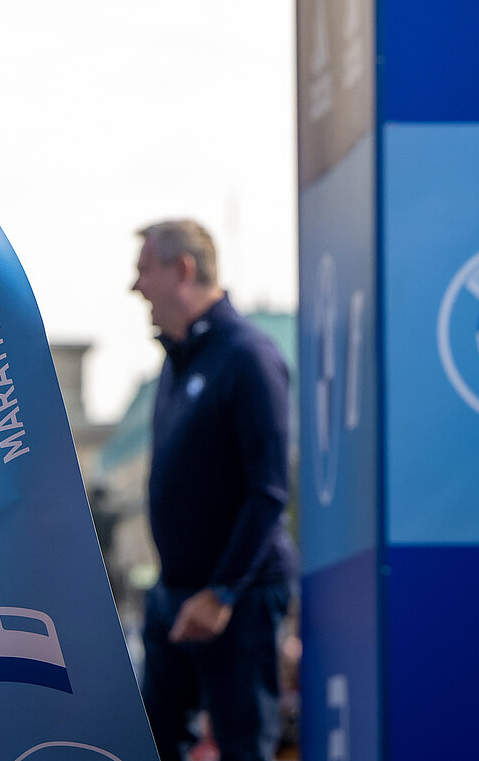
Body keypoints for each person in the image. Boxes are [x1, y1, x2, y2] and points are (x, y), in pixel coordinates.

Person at [130, 220, 296, 761]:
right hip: (175, 596)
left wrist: (222, 592)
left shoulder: (247, 356)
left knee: (246, 747)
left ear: (182, 270)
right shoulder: (176, 364)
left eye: (144, 271)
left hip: (237, 598)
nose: (136, 288)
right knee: (154, 745)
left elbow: (269, 489)